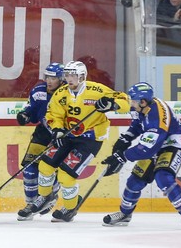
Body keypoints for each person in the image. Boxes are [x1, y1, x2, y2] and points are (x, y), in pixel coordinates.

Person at [17, 60, 129, 222]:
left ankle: (70, 208)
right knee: (45, 165)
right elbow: (53, 114)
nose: (69, 79)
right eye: (67, 75)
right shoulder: (61, 93)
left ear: (82, 76)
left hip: (89, 140)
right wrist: (57, 130)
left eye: (73, 75)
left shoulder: (96, 90)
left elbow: (125, 101)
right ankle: (45, 197)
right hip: (68, 136)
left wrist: (113, 104)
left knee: (65, 176)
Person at [102, 82, 181, 230]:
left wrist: (122, 156)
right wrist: (125, 138)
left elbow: (147, 150)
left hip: (174, 143)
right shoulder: (142, 106)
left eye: (133, 100)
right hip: (156, 142)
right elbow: (137, 124)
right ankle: (125, 214)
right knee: (135, 181)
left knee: (163, 178)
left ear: (143, 101)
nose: (131, 103)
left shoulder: (156, 118)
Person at [15, 63, 64, 220]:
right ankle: (31, 204)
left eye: (54, 78)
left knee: (53, 171)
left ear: (61, 79)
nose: (49, 81)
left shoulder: (66, 94)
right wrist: (25, 115)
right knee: (29, 169)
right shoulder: (38, 91)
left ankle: (50, 194)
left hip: (63, 135)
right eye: (47, 77)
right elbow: (31, 112)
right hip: (43, 133)